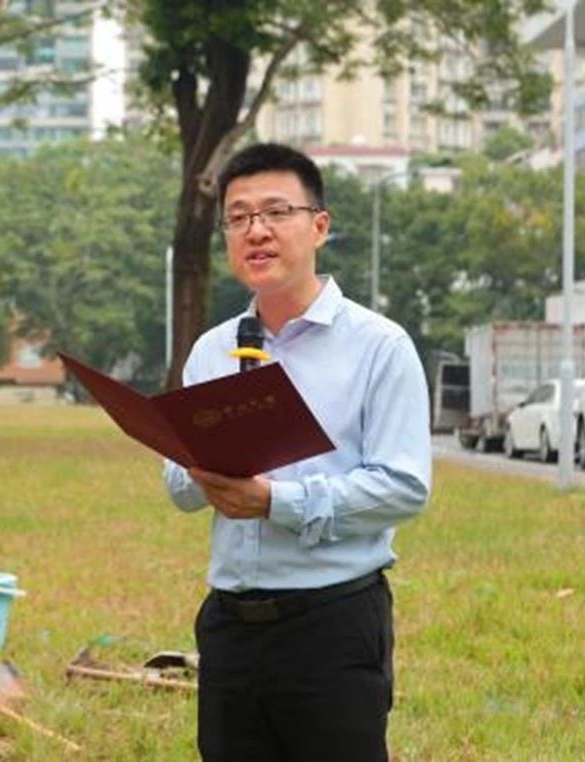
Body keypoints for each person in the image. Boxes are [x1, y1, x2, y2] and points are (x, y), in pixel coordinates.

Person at [163, 142, 431, 761]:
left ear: (319, 226)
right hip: (229, 628)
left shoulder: (378, 347)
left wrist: (274, 502)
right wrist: (201, 468)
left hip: (331, 624)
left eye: (276, 212)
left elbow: (403, 486)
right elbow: (177, 486)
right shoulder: (212, 351)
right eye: (238, 217)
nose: (256, 231)